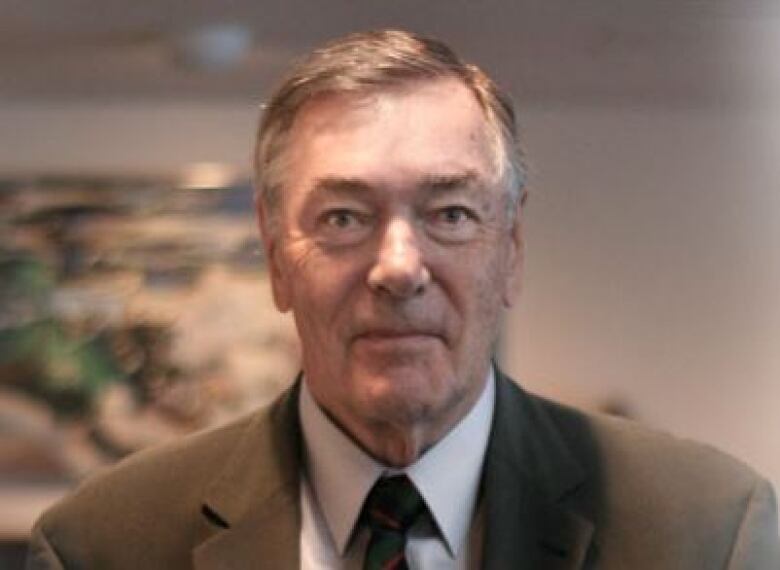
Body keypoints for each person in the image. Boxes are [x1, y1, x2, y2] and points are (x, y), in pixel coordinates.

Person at [27, 29, 779, 570]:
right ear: (275, 258)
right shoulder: (104, 546)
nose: (398, 268)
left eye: (450, 214)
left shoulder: (706, 533)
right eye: (344, 218)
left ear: (509, 249)